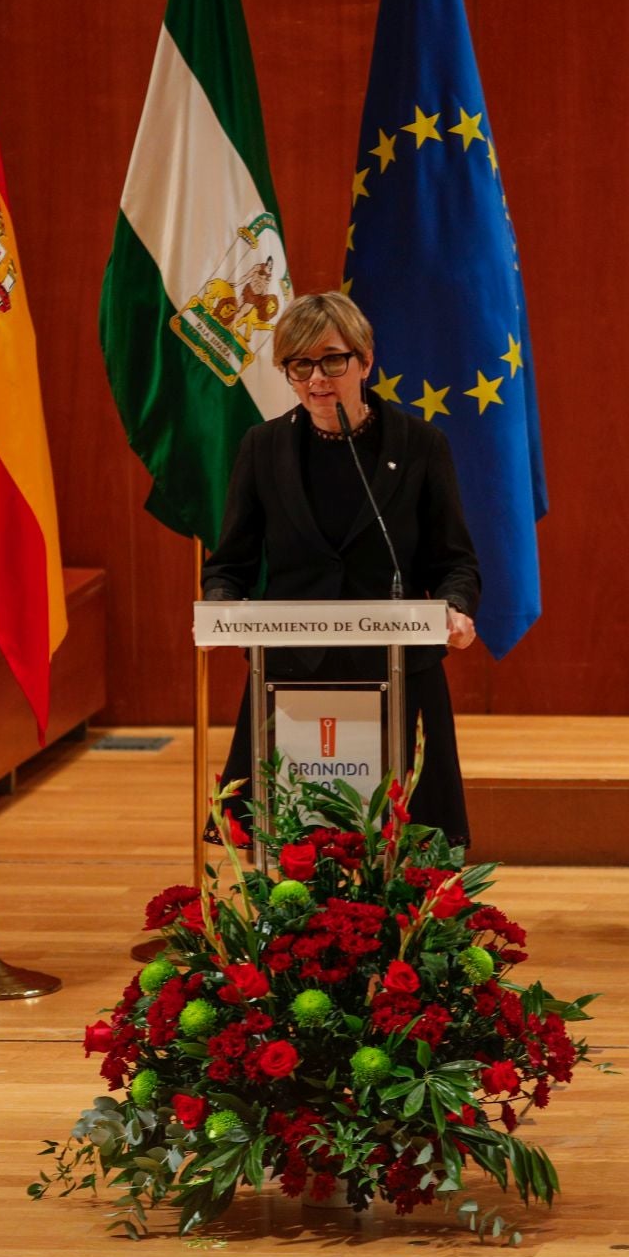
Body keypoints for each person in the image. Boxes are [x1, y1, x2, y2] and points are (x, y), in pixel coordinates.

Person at [203, 290, 481, 843]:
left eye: (332, 360)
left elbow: (455, 561)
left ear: (365, 360)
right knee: (293, 841)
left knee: (407, 841)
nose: (317, 380)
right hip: (291, 674)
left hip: (399, 670)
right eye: (299, 365)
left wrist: (455, 609)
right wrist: (219, 608)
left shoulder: (421, 445)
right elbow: (229, 563)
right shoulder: (263, 448)